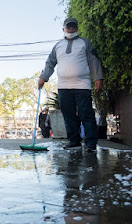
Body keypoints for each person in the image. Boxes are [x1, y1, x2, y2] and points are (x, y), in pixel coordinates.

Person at [38, 18, 104, 152]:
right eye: (68, 27)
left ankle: (91, 143)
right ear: (64, 29)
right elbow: (50, 63)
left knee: (86, 114)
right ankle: (74, 141)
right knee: (68, 116)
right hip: (63, 87)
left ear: (77, 28)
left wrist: (98, 78)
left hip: (82, 85)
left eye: (73, 26)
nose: (71, 29)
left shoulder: (85, 43)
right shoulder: (58, 46)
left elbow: (94, 61)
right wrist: (43, 77)